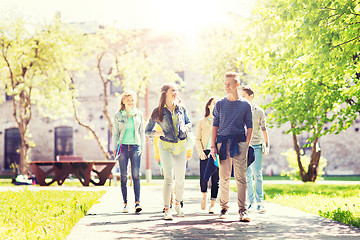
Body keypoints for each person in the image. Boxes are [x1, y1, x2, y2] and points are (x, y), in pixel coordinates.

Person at [145, 83, 192, 220]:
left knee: (181, 179)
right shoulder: (157, 111)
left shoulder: (181, 109)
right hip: (165, 146)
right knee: (168, 178)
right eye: (173, 90)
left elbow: (188, 122)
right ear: (165, 93)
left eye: (176, 91)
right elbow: (147, 130)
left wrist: (187, 127)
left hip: (181, 146)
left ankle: (178, 204)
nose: (176, 92)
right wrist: (157, 133)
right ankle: (167, 208)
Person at [210, 72, 253, 222]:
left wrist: (246, 144)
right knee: (224, 178)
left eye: (229, 84)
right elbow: (215, 125)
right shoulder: (220, 104)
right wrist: (213, 146)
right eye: (225, 84)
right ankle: (224, 208)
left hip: (239, 143)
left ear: (237, 85)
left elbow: (250, 126)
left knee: (241, 178)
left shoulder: (245, 105)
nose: (226, 87)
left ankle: (243, 211)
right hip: (222, 143)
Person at [112, 90, 145, 213]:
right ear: (123, 102)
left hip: (136, 146)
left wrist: (141, 147)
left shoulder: (139, 114)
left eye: (132, 100)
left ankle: (137, 202)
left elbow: (142, 132)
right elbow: (115, 133)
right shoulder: (118, 115)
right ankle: (125, 204)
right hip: (123, 148)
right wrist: (114, 148)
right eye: (128, 100)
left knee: (136, 174)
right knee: (124, 176)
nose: (131, 102)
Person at [241, 86, 269, 213]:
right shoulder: (240, 110)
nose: (241, 98)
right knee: (247, 176)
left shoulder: (259, 111)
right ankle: (251, 202)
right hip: (244, 146)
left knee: (257, 174)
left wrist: (267, 145)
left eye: (244, 96)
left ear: (251, 96)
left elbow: (264, 128)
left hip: (257, 145)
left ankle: (260, 202)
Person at [196, 97, 219, 214]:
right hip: (205, 152)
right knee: (204, 178)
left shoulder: (220, 120)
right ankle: (204, 196)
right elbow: (198, 139)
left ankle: (213, 204)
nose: (215, 106)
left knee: (216, 180)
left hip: (216, 153)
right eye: (213, 104)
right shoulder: (202, 121)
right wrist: (200, 152)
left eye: (217, 104)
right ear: (208, 105)